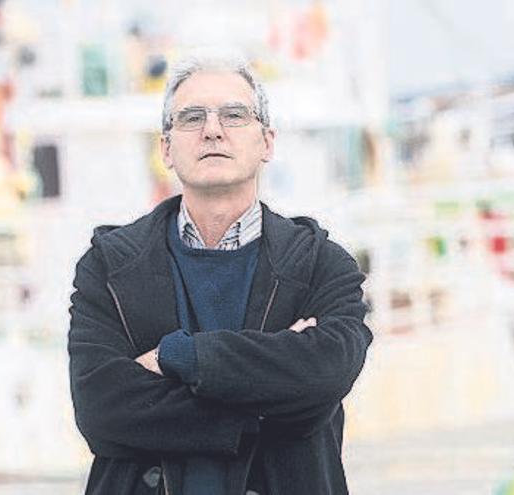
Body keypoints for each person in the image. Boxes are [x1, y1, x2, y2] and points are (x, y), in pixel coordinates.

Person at [68, 50, 372, 495]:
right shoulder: (108, 266)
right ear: (166, 148)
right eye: (191, 118)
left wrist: (179, 357)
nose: (212, 129)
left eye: (234, 115)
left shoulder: (323, 264)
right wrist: (269, 394)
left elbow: (326, 374)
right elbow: (101, 409)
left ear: (267, 142)